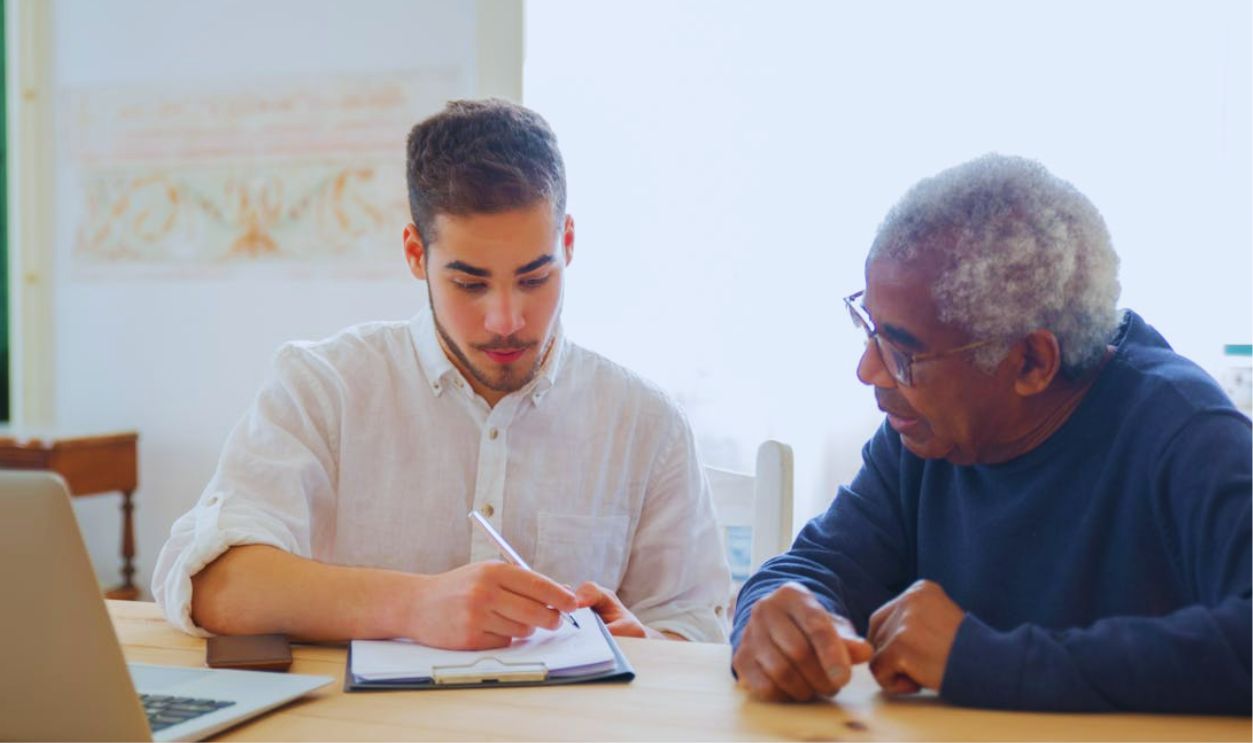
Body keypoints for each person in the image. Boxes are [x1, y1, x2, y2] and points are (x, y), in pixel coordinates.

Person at [153, 99, 730, 649]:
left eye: (534, 278)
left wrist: (644, 644)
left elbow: (697, 628)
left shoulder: (646, 423)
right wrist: (414, 605)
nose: (506, 320)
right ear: (414, 254)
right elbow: (211, 583)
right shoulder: (323, 386)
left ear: (568, 243)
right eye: (469, 283)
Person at [731, 154, 1251, 713]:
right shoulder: (926, 435)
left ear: (1031, 362)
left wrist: (981, 660)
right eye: (869, 329)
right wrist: (776, 614)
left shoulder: (1187, 433)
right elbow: (815, 566)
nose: (870, 373)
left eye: (902, 353)